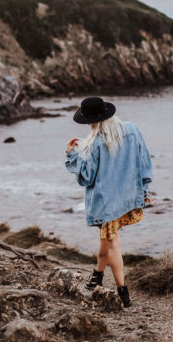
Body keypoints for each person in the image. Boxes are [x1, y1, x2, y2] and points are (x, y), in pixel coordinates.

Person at [65, 96, 153, 308]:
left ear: (90, 121)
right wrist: (144, 190)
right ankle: (97, 275)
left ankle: (123, 291)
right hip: (128, 198)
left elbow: (86, 177)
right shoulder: (132, 129)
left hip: (107, 203)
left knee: (112, 242)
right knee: (107, 238)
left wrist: (72, 154)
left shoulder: (94, 144)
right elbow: (144, 162)